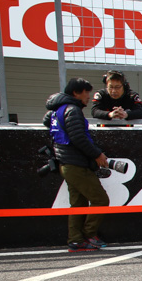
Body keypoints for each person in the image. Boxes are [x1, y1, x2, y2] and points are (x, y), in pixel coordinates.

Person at [43, 78, 111, 252]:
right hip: (76, 164)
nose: (88, 96)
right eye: (86, 92)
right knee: (100, 200)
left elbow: (48, 124)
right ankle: (89, 235)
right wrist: (97, 154)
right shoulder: (72, 110)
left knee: (78, 204)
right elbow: (78, 138)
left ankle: (75, 240)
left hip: (66, 163)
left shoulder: (57, 110)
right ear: (76, 93)